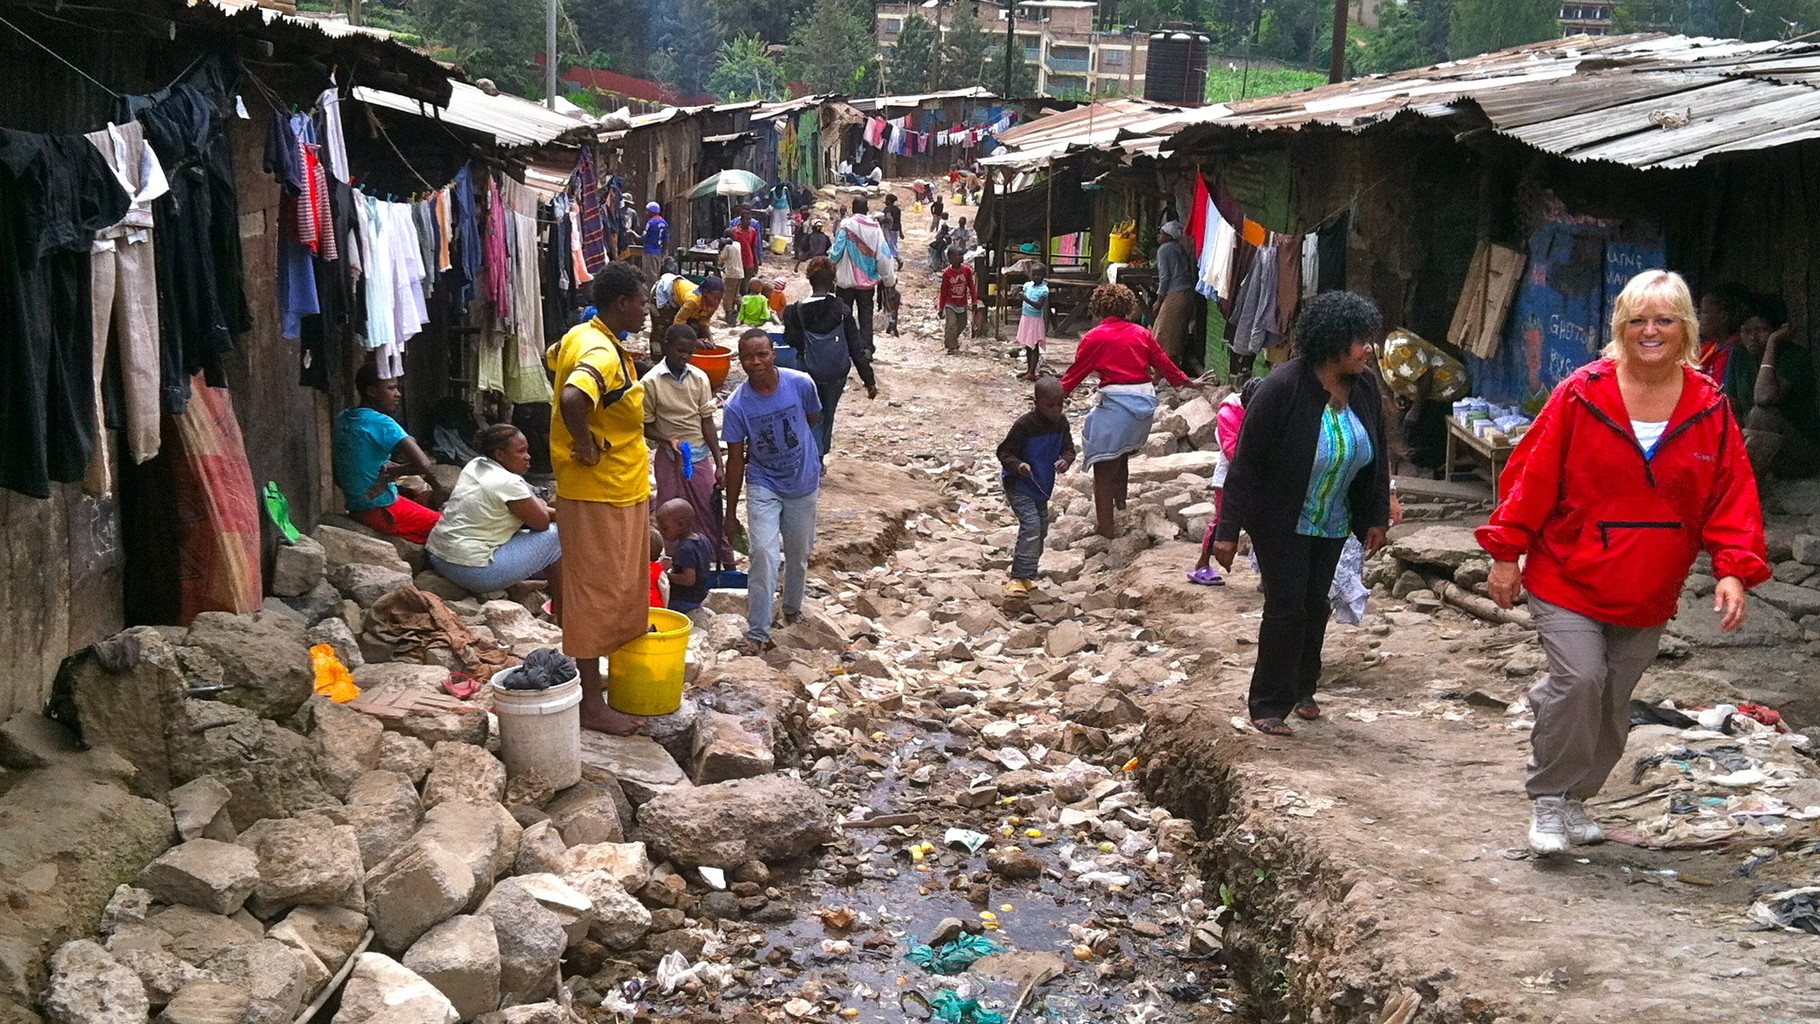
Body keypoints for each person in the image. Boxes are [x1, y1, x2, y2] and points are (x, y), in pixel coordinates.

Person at [1477, 269, 1769, 856]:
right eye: (1638, 320)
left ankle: (1580, 796)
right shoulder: (1582, 393)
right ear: (1621, 327)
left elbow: (1730, 494)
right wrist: (1506, 552)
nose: (1651, 331)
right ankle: (1550, 801)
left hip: (1648, 585)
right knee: (1582, 677)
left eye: (1664, 320)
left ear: (1684, 327)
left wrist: (1734, 568)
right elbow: (1532, 478)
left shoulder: (1709, 406)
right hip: (1567, 571)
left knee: (1612, 699)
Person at [1210, 290, 1392, 737]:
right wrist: (1227, 531)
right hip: (1280, 517)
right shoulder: (1283, 387)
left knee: (1316, 603)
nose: (1368, 349)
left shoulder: (1364, 386)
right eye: (1359, 341)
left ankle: (1304, 688)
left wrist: (1376, 514)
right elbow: (1246, 464)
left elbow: (1379, 449)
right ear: (1332, 343)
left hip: (1332, 517)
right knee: (1286, 606)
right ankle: (1268, 703)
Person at [546, 262, 654, 735]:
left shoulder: (586, 336)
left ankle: (602, 684)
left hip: (619, 487)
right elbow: (573, 397)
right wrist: (586, 446)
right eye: (642, 302)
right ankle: (590, 702)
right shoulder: (600, 351)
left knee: (617, 586)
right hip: (599, 491)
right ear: (621, 304)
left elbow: (554, 358)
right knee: (595, 591)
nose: (647, 310)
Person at [1062, 283, 1199, 539]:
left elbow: (1074, 376)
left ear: (1097, 309)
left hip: (1117, 405)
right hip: (1144, 406)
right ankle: (1121, 505)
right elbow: (1164, 363)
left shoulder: (1094, 337)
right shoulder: (1141, 333)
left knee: (1103, 465)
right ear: (1127, 307)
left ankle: (1105, 528)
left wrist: (1051, 400)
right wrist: (1188, 382)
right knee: (1121, 453)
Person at [721, 329, 824, 653]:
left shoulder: (800, 384)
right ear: (740, 361)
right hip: (763, 482)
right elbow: (736, 460)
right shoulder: (737, 406)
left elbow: (812, 418)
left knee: (798, 554)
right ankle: (758, 631)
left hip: (802, 480)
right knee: (763, 553)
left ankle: (792, 608)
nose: (756, 362)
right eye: (748, 357)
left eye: (762, 354)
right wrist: (730, 513)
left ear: (773, 354)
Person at [425, 424, 560, 598]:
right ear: (499, 454)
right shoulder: (508, 482)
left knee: (530, 533)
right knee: (557, 535)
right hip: (472, 572)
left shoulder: (476, 464)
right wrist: (545, 507)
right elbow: (541, 523)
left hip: (440, 559)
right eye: (521, 451)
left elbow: (536, 511)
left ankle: (520, 585)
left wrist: (540, 506)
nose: (528, 457)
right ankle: (563, 605)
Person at [642, 324, 733, 564]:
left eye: (689, 352)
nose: (684, 356)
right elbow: (646, 424)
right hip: (669, 456)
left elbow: (707, 422)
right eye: (680, 350)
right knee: (670, 515)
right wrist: (666, 439)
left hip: (699, 454)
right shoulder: (651, 381)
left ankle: (718, 561)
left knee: (708, 509)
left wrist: (719, 464)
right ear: (666, 346)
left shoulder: (699, 377)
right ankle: (678, 564)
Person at [334, 363, 443, 543]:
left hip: (357, 508)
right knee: (449, 526)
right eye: (391, 388)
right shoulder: (382, 423)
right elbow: (424, 464)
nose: (398, 394)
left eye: (397, 388)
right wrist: (390, 474)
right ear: (371, 391)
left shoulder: (344, 417)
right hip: (382, 510)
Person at [784, 256, 878, 457]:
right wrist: (869, 381)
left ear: (809, 279)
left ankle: (809, 453)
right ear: (833, 280)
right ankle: (820, 453)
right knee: (827, 413)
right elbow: (856, 349)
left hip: (806, 371)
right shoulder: (842, 310)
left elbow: (790, 340)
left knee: (807, 414)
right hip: (835, 373)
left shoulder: (795, 311)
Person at [997, 377, 1075, 596]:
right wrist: (1018, 465)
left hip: (1042, 486)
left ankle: (1028, 575)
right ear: (1037, 402)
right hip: (1019, 484)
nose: (1056, 410)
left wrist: (1066, 460)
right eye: (1050, 405)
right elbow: (1004, 452)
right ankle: (1017, 577)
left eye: (1060, 404)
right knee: (1031, 525)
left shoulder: (1062, 423)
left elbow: (1069, 449)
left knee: (1041, 529)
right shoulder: (1024, 425)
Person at [1729, 294, 1819, 478]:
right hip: (1753, 445)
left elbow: (1764, 397)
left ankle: (1744, 484)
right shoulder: (1739, 354)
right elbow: (1733, 406)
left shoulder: (1794, 357)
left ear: (1778, 331)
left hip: (1799, 452)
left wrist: (1771, 345)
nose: (1753, 338)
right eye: (1746, 331)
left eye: (1761, 330)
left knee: (1760, 415)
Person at [1188, 377, 1263, 585]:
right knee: (1222, 521)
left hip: (1258, 477)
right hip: (1228, 478)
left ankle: (1267, 576)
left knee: (1262, 525)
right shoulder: (1228, 414)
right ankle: (1202, 564)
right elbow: (1233, 452)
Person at [829, 197, 884, 352]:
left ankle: (846, 346)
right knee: (866, 315)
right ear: (867, 208)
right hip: (867, 281)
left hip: (846, 281)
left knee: (845, 314)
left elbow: (836, 253)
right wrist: (888, 279)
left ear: (852, 208)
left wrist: (830, 265)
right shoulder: (875, 227)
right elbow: (883, 254)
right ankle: (866, 347)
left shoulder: (846, 226)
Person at [1152, 220, 1195, 367]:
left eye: (1162, 233)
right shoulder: (1179, 248)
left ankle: (1163, 370)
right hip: (1187, 293)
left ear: (1169, 236)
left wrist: (1159, 299)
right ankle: (1172, 368)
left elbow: (1165, 277)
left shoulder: (1164, 249)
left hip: (1176, 293)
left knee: (1164, 334)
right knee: (1176, 333)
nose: (1159, 236)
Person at [657, 498, 712, 612]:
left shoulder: (685, 548)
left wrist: (664, 574)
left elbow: (688, 579)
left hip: (684, 600)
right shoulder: (702, 539)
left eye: (665, 528)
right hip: (700, 594)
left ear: (680, 525)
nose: (662, 532)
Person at [649, 273, 721, 355]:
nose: (716, 302)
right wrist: (694, 342)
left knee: (695, 328)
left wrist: (710, 339)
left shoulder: (713, 305)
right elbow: (678, 323)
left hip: (682, 300)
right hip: (666, 294)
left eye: (719, 298)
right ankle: (659, 358)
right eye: (715, 297)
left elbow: (704, 321)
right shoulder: (693, 302)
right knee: (662, 330)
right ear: (705, 294)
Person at [1696, 281, 1750, 387]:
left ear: (1723, 317)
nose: (1699, 317)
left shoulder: (1734, 351)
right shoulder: (1711, 347)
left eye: (1705, 312)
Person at [937, 248, 978, 354]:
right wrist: (941, 308)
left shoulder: (967, 270)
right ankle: (951, 346)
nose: (961, 257)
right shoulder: (947, 273)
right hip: (950, 303)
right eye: (957, 255)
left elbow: (971, 287)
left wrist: (974, 302)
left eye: (961, 254)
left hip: (962, 303)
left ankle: (951, 339)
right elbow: (943, 292)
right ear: (951, 258)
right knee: (951, 324)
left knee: (962, 324)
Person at [1015, 264, 1050, 381]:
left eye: (1039, 275)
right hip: (1026, 317)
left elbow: (1039, 306)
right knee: (1027, 345)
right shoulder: (1028, 286)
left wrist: (1026, 299)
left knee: (1034, 346)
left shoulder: (1043, 290)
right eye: (1033, 274)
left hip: (1035, 320)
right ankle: (1029, 369)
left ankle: (1032, 371)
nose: (1036, 277)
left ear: (1043, 276)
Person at [718, 235, 745, 325]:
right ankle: (743, 310)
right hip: (740, 273)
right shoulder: (737, 244)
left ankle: (729, 317)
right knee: (736, 294)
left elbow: (721, 259)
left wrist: (720, 249)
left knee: (727, 296)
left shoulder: (727, 247)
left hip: (731, 274)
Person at [641, 202, 668, 282]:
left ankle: (650, 293)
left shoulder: (651, 223)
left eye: (647, 211)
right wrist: (665, 252)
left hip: (649, 252)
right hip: (658, 252)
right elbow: (666, 239)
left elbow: (643, 238)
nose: (646, 213)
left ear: (652, 212)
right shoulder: (664, 223)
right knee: (656, 274)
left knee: (649, 276)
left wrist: (633, 233)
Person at [731, 213, 761, 282]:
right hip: (737, 261)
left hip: (748, 261)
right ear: (741, 220)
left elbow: (754, 247)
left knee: (746, 283)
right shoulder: (734, 231)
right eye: (746, 219)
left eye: (749, 219)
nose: (749, 221)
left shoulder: (752, 231)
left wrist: (756, 263)